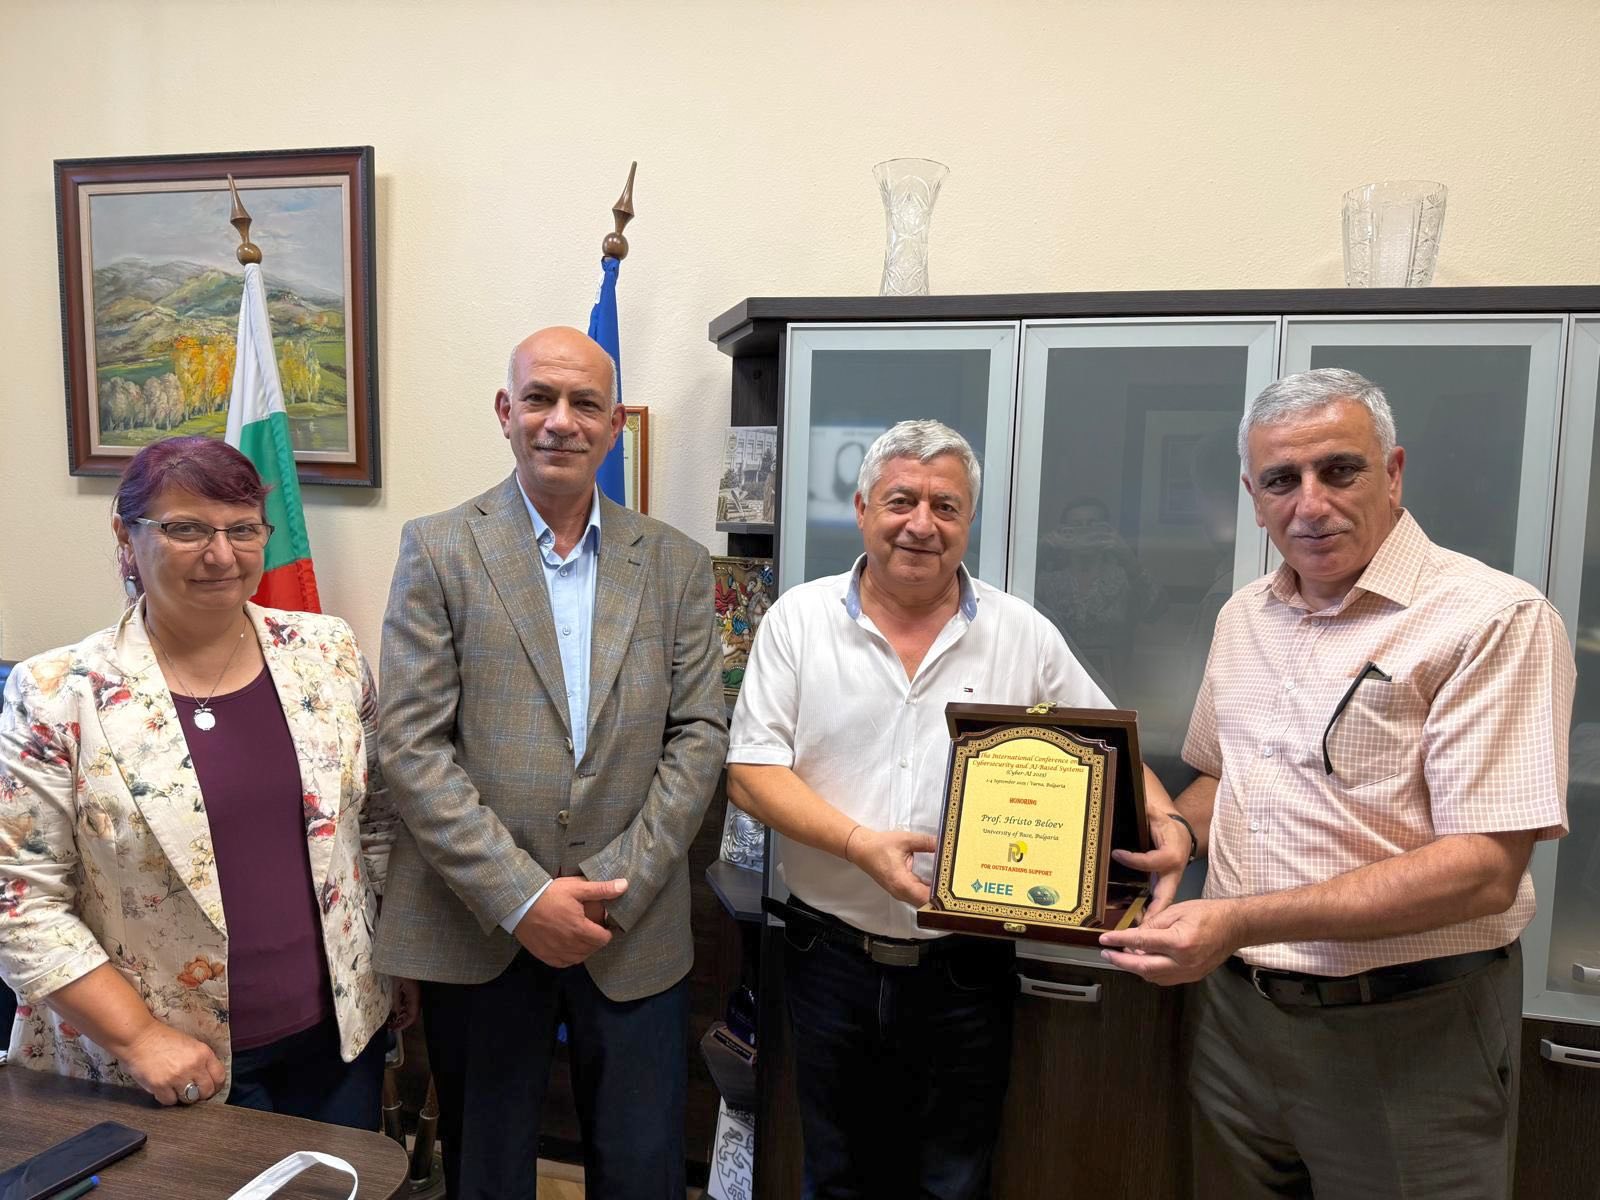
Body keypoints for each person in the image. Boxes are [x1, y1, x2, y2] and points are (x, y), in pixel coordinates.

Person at [1101, 368, 1575, 1199]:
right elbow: (1224, 773)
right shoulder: (1242, 616)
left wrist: (1236, 919)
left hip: (1408, 1029)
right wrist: (1178, 832)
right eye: (1282, 480)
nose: (1310, 504)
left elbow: (1484, 870)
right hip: (1235, 1020)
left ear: (1392, 473)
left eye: (1339, 470)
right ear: (1253, 499)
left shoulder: (1492, 618)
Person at [726, 419, 1176, 1200]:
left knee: (954, 1181)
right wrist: (859, 844)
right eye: (901, 500)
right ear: (863, 508)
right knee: (836, 1176)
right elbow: (751, 774)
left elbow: (1108, 748)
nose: (921, 524)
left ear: (968, 522)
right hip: (828, 956)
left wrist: (1166, 823)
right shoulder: (798, 620)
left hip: (967, 967)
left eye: (945, 506)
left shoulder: (1020, 633)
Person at [372, 326, 728, 1200]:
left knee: (642, 1172)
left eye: (584, 404)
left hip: (630, 929)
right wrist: (524, 897)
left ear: (615, 426)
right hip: (480, 923)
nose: (560, 421)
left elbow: (698, 735)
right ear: (506, 411)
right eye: (540, 398)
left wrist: (615, 887)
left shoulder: (676, 563)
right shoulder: (439, 548)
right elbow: (411, 746)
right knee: (487, 1174)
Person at [0, 436, 413, 1126]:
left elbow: (374, 825)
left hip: (339, 1042)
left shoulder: (328, 654)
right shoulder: (55, 694)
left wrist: (392, 964)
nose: (221, 555)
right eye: (186, 529)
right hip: (161, 1065)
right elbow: (20, 903)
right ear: (127, 537)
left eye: (243, 529)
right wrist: (140, 1039)